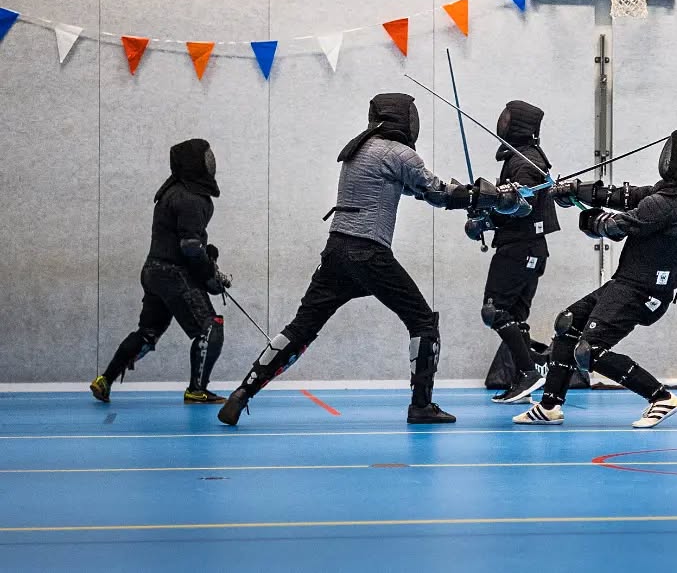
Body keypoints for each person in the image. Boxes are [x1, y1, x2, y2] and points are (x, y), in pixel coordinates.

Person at [217, 93, 531, 426]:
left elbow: (418, 190)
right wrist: (490, 196)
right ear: (404, 118)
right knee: (423, 322)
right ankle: (421, 406)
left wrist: (473, 196)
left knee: (302, 327)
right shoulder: (399, 153)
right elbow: (437, 192)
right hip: (368, 253)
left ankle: (242, 393)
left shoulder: (359, 150)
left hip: (337, 252)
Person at [512, 129, 677, 428]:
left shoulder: (668, 205)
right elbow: (631, 196)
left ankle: (660, 397)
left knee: (590, 349)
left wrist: (592, 220)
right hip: (635, 283)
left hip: (641, 290)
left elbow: (617, 226)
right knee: (568, 322)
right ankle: (549, 406)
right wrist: (579, 191)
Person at [90, 138, 232, 404]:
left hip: (153, 271)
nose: (211, 162)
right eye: (206, 157)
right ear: (195, 163)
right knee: (210, 327)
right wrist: (209, 277)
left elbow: (192, 243)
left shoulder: (172, 191)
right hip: (173, 273)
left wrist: (208, 258)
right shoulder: (191, 197)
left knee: (148, 332)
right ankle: (196, 390)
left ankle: (104, 379)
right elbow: (190, 247)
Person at [465, 100, 560, 404]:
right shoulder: (524, 159)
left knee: (494, 311)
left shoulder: (525, 163)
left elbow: (520, 206)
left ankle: (529, 373)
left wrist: (487, 219)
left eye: (508, 118)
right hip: (531, 249)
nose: (502, 123)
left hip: (519, 249)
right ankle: (524, 377)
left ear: (518, 125)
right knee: (515, 318)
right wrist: (486, 217)